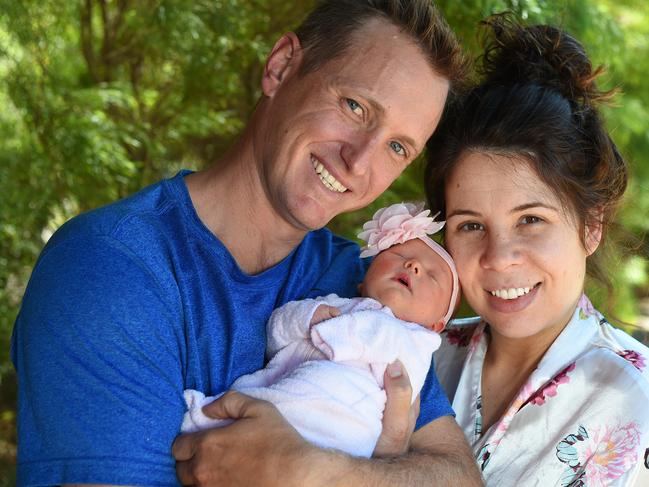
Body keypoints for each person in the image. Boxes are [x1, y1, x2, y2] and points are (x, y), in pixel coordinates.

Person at [11, 1, 483, 486]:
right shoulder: (113, 267)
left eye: (397, 147)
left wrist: (310, 472)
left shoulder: (369, 287)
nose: (360, 161)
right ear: (280, 68)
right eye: (355, 106)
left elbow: (458, 477)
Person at [424, 14, 649, 486]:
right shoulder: (420, 351)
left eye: (530, 219)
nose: (499, 257)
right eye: (470, 225)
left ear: (592, 225)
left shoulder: (635, 398)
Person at [182, 202, 460, 459]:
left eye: (433, 275)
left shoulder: (417, 342)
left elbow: (377, 342)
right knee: (229, 411)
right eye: (400, 254)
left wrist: (331, 331)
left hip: (337, 423)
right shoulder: (334, 305)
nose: (413, 265)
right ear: (363, 281)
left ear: (435, 325)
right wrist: (308, 317)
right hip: (279, 390)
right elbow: (277, 335)